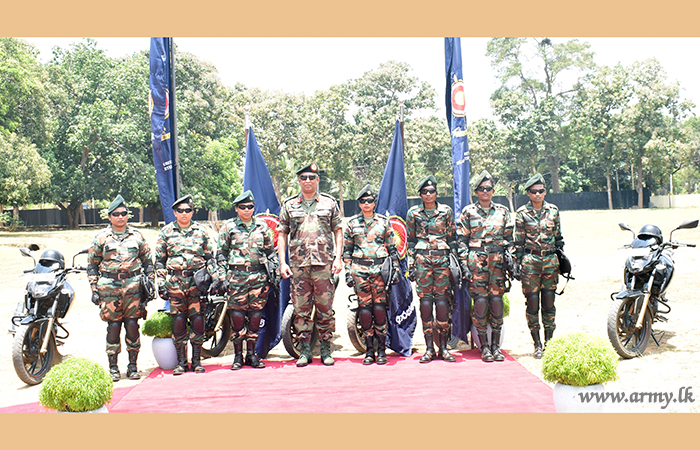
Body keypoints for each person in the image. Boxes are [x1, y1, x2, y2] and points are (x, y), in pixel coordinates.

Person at [278, 162, 343, 367]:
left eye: (311, 178)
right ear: (299, 181)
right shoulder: (289, 205)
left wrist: (338, 258)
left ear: (317, 180)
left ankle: (325, 348)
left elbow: (338, 231)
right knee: (301, 309)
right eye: (304, 178)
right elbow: (282, 234)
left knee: (325, 308)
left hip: (324, 264)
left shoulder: (329, 203)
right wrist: (282, 262)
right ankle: (305, 350)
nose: (308, 181)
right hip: (299, 265)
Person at [87, 195, 155, 382]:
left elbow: (148, 262)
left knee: (132, 325)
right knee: (114, 327)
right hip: (109, 288)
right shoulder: (101, 237)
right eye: (116, 214)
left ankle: (133, 366)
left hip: (133, 287)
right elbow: (92, 265)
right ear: (109, 216)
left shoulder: (137, 236)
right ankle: (113, 368)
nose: (120, 217)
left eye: (124, 213)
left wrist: (150, 284)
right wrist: (94, 289)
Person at [155, 195, 220, 375]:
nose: (184, 214)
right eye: (180, 211)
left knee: (198, 320)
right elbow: (159, 261)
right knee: (178, 321)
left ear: (192, 212)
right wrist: (161, 283)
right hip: (175, 283)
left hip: (196, 283)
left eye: (188, 210)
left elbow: (210, 259)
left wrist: (215, 278)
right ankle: (181, 362)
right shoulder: (166, 232)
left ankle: (197, 361)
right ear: (175, 213)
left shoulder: (201, 231)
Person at [217, 190, 278, 370]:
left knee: (255, 316)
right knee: (237, 317)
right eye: (242, 207)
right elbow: (221, 254)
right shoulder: (229, 228)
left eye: (250, 207)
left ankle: (251, 354)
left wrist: (274, 271)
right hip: (236, 279)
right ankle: (237, 356)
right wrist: (222, 277)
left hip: (258, 279)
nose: (246, 210)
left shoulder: (262, 227)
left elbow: (270, 253)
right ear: (236, 208)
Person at [457, 170, 513, 362]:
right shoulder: (468, 212)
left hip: (497, 264)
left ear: (493, 191)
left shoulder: (503, 212)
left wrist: (510, 262)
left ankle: (496, 347)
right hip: (476, 265)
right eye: (481, 189)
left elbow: (509, 240)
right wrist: (464, 265)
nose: (485, 192)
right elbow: (462, 241)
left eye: (488, 189)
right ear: (476, 192)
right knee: (480, 304)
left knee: (496, 304)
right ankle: (485, 347)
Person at [342, 185, 400, 365]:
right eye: (363, 201)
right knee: (365, 310)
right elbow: (347, 251)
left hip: (380, 271)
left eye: (370, 201)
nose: (366, 204)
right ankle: (369, 351)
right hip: (360, 271)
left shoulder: (384, 222)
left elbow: (392, 250)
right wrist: (347, 272)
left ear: (375, 202)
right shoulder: (352, 224)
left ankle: (381, 350)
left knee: (380, 309)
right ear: (359, 204)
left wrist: (395, 269)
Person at [406, 175, 458, 363]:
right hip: (422, 263)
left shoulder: (446, 211)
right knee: (426, 304)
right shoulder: (413, 213)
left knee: (443, 304)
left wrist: (455, 263)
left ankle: (443, 347)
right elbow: (410, 241)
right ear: (420, 194)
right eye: (425, 192)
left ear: (437, 193)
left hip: (442, 263)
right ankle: (429, 349)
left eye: (432, 191)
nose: (428, 194)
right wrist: (412, 264)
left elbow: (452, 239)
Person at [514, 173, 564, 359]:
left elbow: (558, 237)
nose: (538, 195)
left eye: (541, 191)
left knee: (549, 301)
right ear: (528, 193)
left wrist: (562, 260)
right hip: (530, 263)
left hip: (550, 262)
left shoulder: (553, 210)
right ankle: (537, 344)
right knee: (533, 303)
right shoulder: (521, 214)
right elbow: (518, 242)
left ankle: (550, 343)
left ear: (545, 192)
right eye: (534, 192)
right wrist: (517, 265)